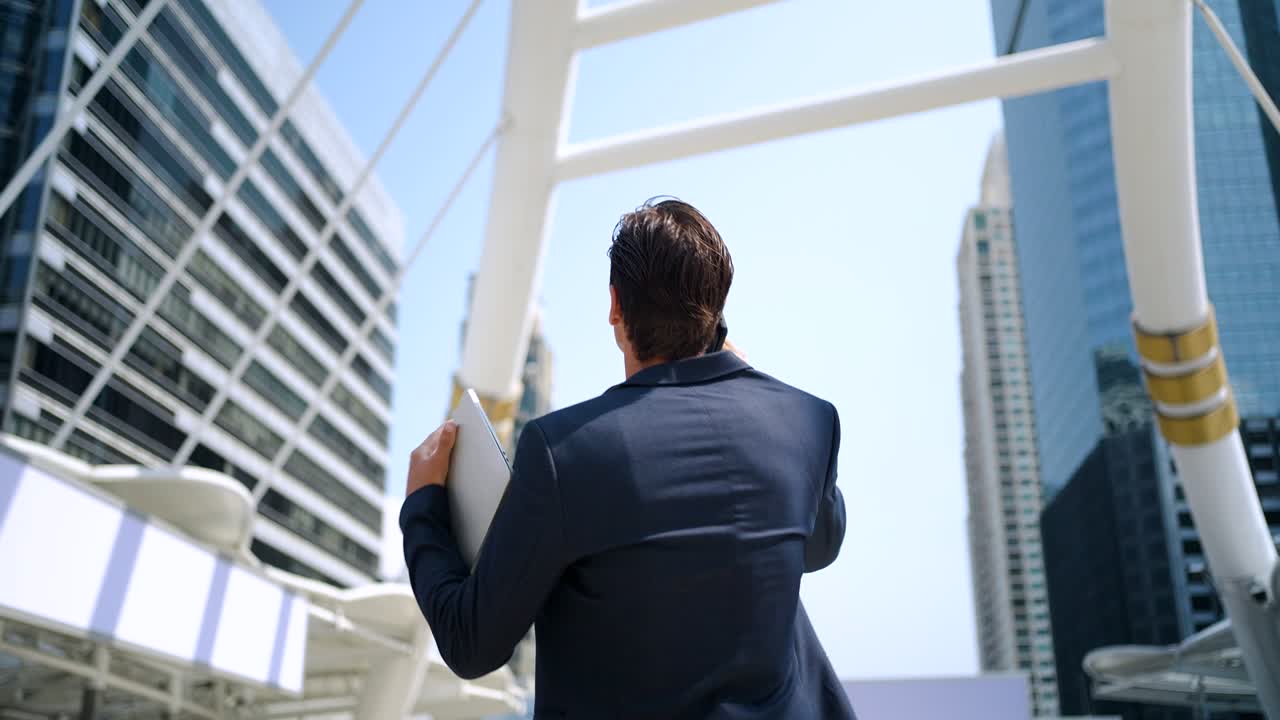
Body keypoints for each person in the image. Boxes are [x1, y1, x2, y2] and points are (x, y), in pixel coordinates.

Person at [401, 198, 854, 719]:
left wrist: (423, 506)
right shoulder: (808, 422)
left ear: (616, 305)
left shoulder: (562, 451)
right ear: (717, 307)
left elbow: (470, 642)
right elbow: (818, 546)